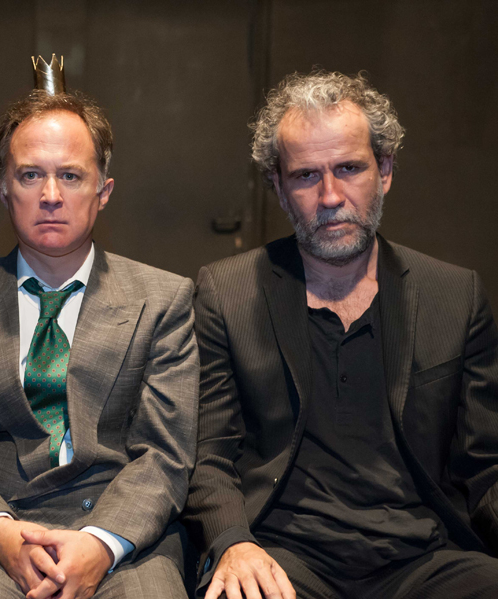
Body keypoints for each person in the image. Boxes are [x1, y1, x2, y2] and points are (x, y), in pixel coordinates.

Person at [183, 70, 498, 599]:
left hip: (425, 558)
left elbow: (487, 466)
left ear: (385, 170)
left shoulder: (454, 295)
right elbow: (208, 455)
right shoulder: (227, 293)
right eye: (306, 176)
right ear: (279, 188)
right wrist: (233, 541)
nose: (330, 196)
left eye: (349, 168)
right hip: (283, 556)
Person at [0, 62, 198, 599]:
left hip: (121, 534)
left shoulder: (164, 300)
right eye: (30, 176)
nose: (51, 194)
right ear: (3, 188)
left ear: (104, 190)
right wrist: (1, 536)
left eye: (70, 176)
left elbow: (165, 454)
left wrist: (100, 543)